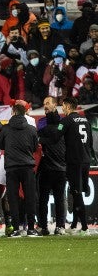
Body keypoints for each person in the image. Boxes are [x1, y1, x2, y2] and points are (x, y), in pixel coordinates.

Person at [0, 103, 39, 237]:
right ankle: (31, 228)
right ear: (24, 113)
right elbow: (34, 147)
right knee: (30, 197)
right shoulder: (31, 129)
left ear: (13, 113)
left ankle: (16, 229)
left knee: (13, 199)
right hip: (27, 167)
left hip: (12, 167)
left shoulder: (5, 129)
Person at [57, 97, 93, 235]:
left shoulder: (65, 121)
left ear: (67, 106)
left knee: (77, 193)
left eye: (63, 106)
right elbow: (89, 143)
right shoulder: (86, 120)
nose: (63, 108)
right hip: (85, 160)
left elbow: (56, 136)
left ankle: (84, 228)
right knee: (76, 191)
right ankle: (73, 225)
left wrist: (40, 138)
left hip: (74, 162)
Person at [37, 96, 66, 236]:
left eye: (47, 103)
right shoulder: (42, 123)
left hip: (60, 167)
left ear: (55, 105)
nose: (45, 106)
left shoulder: (62, 123)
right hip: (47, 167)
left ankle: (60, 226)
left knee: (59, 199)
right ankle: (43, 226)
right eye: (44, 103)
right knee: (43, 199)